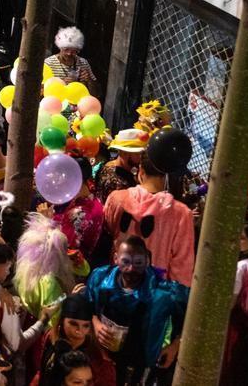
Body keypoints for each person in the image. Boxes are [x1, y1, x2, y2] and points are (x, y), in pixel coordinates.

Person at [84, 236, 187, 384]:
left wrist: (176, 345)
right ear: (116, 259)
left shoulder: (164, 292)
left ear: (147, 261)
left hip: (141, 366)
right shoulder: (100, 277)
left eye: (138, 263)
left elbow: (192, 314)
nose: (131, 268)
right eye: (126, 261)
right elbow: (88, 305)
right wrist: (95, 323)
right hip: (103, 360)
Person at [103, 152, 195, 286]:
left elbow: (107, 231)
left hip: (117, 286)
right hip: (156, 296)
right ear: (166, 174)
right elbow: (182, 269)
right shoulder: (180, 214)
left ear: (141, 170)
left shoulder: (116, 199)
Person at [32, 294, 117, 386]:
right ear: (62, 321)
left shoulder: (98, 359)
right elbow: (42, 373)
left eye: (85, 325)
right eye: (73, 324)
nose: (79, 331)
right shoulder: (50, 338)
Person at [45, 27, 97, 92]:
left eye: (74, 50)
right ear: (60, 47)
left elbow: (95, 93)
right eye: (66, 49)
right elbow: (41, 91)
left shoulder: (83, 63)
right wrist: (61, 84)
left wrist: (89, 80)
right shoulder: (49, 63)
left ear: (78, 50)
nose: (69, 53)